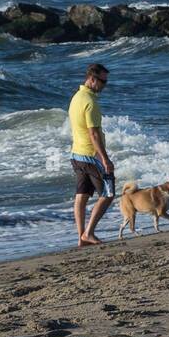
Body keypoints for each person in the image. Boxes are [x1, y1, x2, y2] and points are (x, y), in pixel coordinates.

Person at [69, 62, 115, 246]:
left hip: (76, 154)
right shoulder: (90, 102)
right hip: (90, 155)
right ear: (92, 79)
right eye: (103, 82)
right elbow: (93, 133)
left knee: (82, 194)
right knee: (109, 193)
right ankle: (88, 233)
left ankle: (81, 236)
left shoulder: (77, 97)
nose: (104, 86)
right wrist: (105, 159)